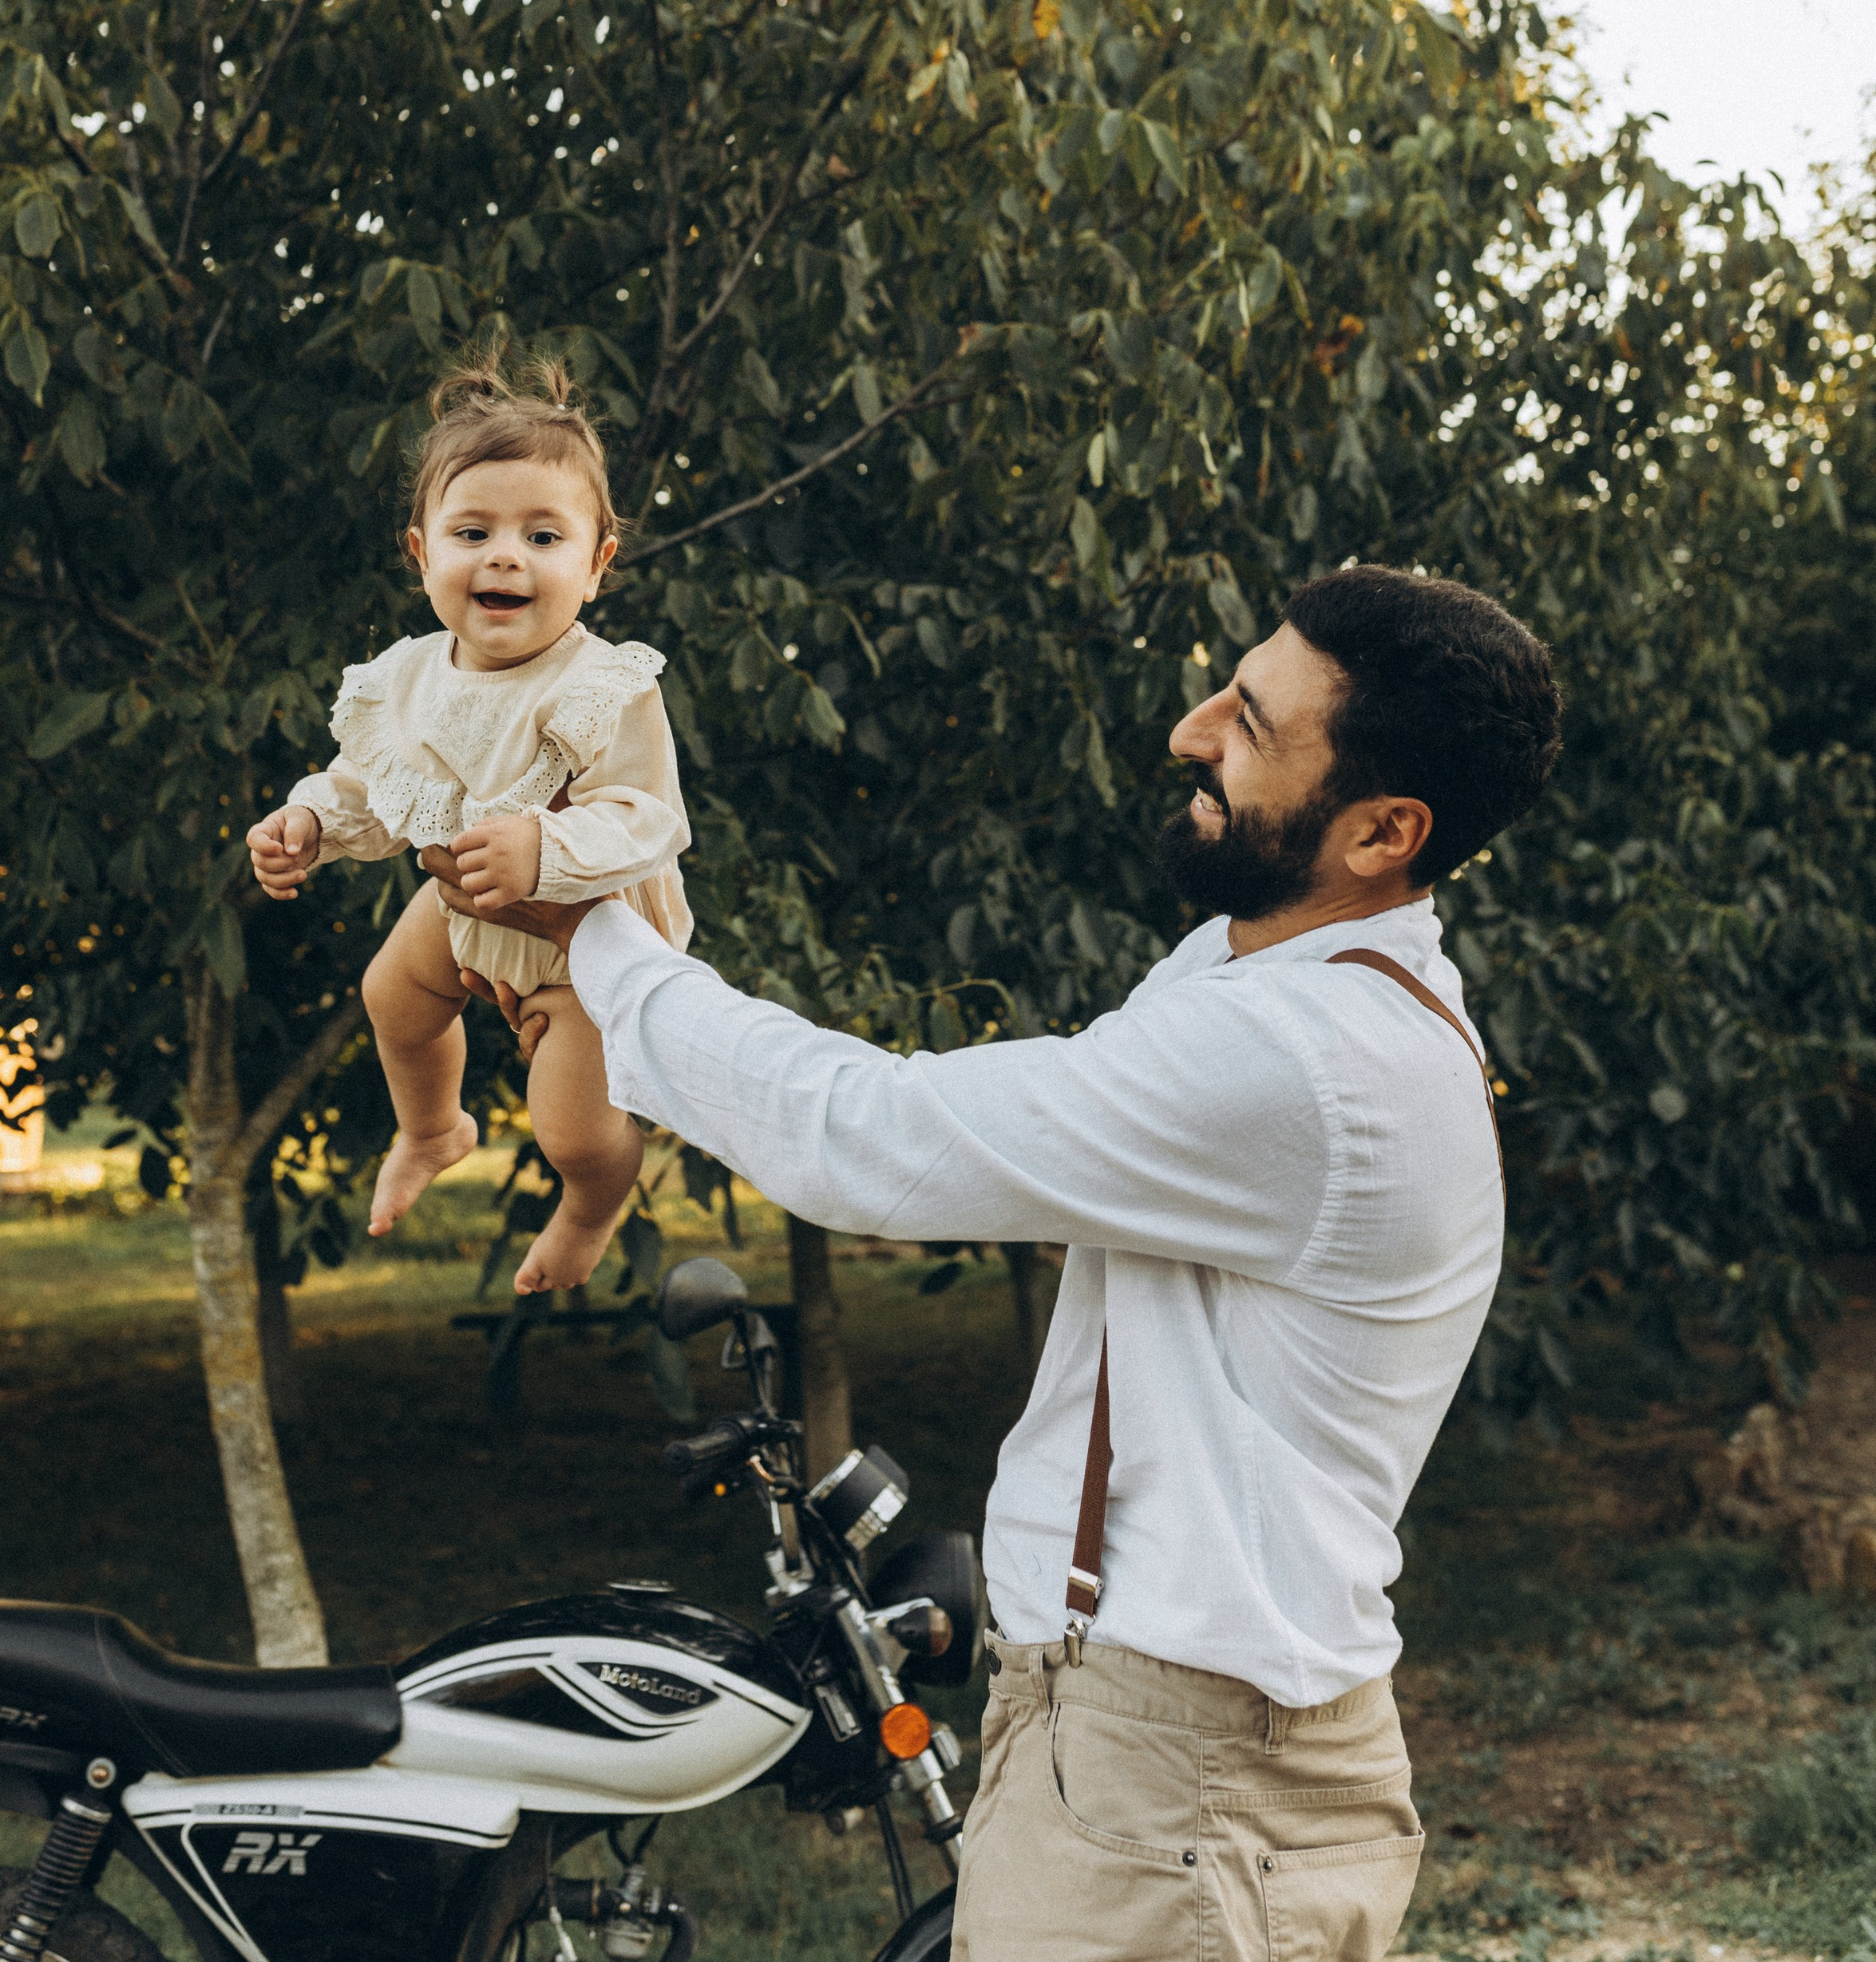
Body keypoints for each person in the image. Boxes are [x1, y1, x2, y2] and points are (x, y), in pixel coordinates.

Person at [434, 563, 1560, 1962]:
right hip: (1151, 1740)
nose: (1191, 729)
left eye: (1254, 725)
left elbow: (886, 1142)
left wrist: (593, 933)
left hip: (1184, 1775)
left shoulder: (1308, 1061)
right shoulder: (1253, 972)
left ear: (1387, 830)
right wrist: (636, 930)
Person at [243, 360, 691, 1290]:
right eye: (473, 531)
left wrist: (549, 848)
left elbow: (649, 819)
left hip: (594, 934)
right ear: (421, 553)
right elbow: (369, 785)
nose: (504, 556)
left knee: (571, 1128)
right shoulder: (404, 679)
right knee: (391, 996)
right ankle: (432, 1128)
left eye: (543, 535)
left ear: (597, 565)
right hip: (468, 907)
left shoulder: (602, 683)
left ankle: (592, 1204)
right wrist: (310, 823)